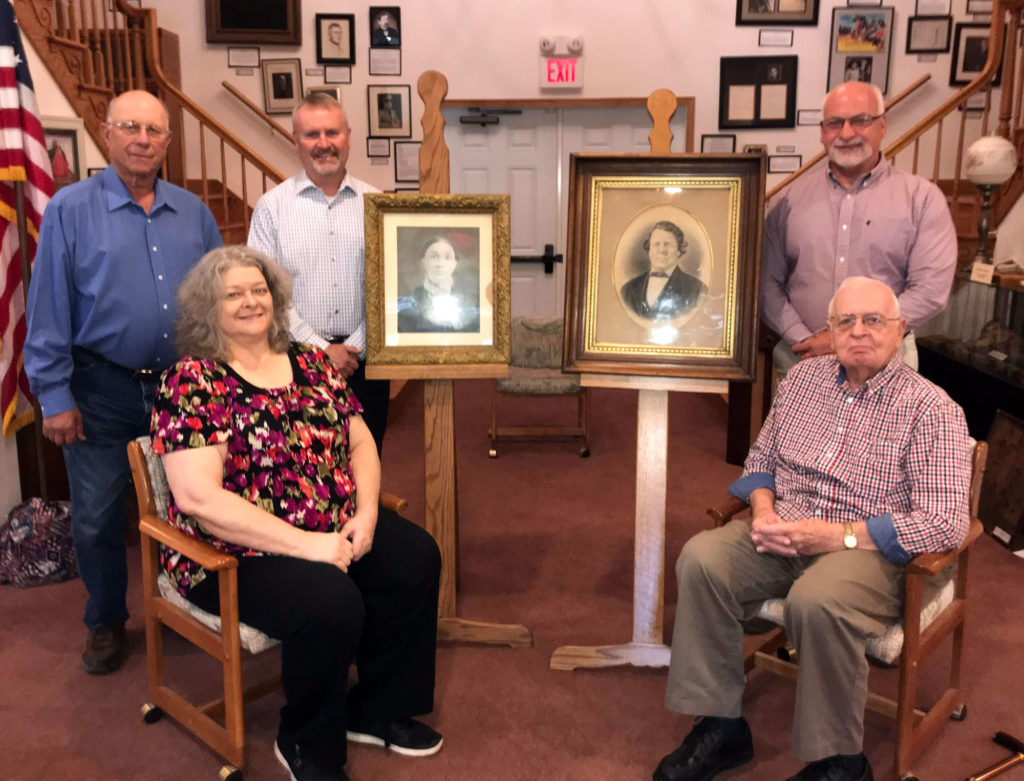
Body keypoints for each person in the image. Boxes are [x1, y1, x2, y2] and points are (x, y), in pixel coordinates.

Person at [653, 277, 971, 781]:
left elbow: (944, 522)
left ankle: (840, 761)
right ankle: (721, 724)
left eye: (874, 321)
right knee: (701, 559)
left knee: (816, 600)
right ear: (829, 329)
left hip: (868, 550)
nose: (859, 331)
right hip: (785, 529)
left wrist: (839, 535)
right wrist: (762, 510)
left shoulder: (932, 409)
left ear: (901, 329)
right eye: (846, 321)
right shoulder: (804, 380)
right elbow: (761, 459)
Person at [151, 246, 443, 781]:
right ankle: (306, 739)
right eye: (232, 294)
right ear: (206, 308)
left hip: (332, 527)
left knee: (415, 558)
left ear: (276, 298)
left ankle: (374, 709)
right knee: (331, 602)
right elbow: (199, 501)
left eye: (258, 290)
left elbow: (360, 442)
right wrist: (310, 546)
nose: (249, 302)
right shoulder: (191, 381)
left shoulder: (309, 362)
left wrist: (367, 514)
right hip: (231, 554)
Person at [24, 90, 223, 675]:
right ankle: (107, 618)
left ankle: (191, 605)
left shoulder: (195, 213)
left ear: (167, 141)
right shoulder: (69, 209)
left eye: (155, 130)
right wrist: (54, 397)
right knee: (96, 515)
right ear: (106, 133)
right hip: (101, 389)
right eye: (130, 127)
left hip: (184, 389)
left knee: (195, 505)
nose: (143, 139)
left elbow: (221, 299)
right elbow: (48, 307)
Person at [761, 81, 957, 378]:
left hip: (888, 364)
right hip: (801, 359)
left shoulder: (922, 199)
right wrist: (801, 337)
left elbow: (931, 289)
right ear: (822, 132)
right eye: (835, 123)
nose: (847, 133)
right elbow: (765, 282)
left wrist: (846, 336)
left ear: (882, 125)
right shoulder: (787, 200)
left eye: (860, 120)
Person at [248, 93, 391, 456]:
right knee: (302, 471)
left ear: (348, 137)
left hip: (366, 365)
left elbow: (390, 286)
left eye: (332, 133)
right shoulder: (271, 208)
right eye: (312, 134)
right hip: (293, 364)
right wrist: (321, 351)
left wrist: (354, 347)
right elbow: (262, 291)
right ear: (295, 140)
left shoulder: (377, 204)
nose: (323, 144)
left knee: (367, 465)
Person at [620, 220, 707, 321]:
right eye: (656, 244)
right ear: (649, 250)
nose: (662, 250)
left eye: (668, 245)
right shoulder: (627, 290)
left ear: (679, 251)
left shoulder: (697, 290)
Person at [397, 235, 480, 333]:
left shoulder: (472, 312)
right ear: (424, 262)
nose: (440, 264)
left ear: (455, 263)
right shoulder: (404, 310)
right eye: (433, 257)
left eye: (447, 257)